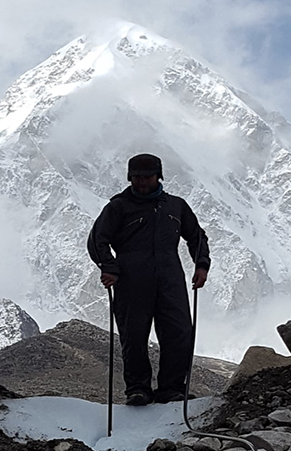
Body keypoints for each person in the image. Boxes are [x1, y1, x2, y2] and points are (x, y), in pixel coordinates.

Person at [87, 154, 211, 406]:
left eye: (147, 177)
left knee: (179, 332)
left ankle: (172, 389)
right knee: (134, 335)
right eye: (137, 177)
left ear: (159, 176)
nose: (142, 182)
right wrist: (109, 267)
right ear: (129, 177)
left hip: (170, 279)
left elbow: (196, 236)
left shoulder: (176, 206)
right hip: (131, 280)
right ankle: (138, 389)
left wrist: (201, 265)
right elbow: (97, 239)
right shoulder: (118, 207)